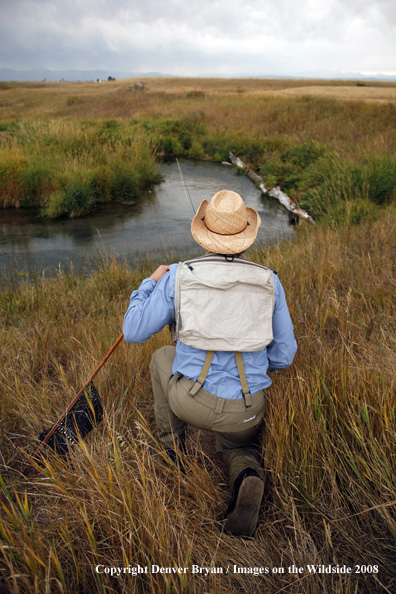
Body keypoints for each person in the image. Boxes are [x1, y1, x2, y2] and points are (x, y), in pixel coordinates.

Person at [123, 190, 297, 537]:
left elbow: (132, 331)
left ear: (204, 233)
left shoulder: (178, 275)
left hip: (190, 401)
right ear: (246, 236)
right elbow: (284, 355)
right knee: (239, 447)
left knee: (161, 357)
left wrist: (149, 284)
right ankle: (247, 475)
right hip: (246, 408)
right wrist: (255, 366)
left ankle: (172, 451)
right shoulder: (269, 280)